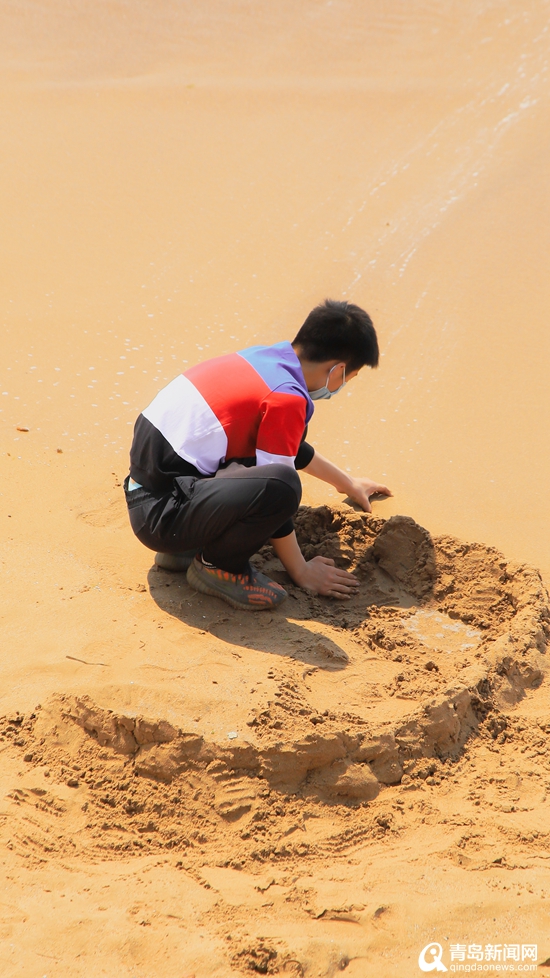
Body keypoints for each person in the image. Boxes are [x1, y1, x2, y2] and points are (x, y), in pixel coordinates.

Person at [124, 299, 391, 611]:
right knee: (283, 487)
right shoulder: (287, 398)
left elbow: (287, 448)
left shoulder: (264, 360)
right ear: (338, 370)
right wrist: (301, 570)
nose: (343, 385)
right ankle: (217, 568)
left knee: (269, 467)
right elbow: (276, 487)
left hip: (148, 495)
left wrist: (347, 483)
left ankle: (183, 549)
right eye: (349, 378)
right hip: (161, 518)